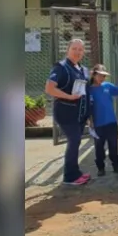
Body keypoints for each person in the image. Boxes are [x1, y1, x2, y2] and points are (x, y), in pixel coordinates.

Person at [44, 38, 91, 185]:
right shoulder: (61, 67)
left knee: (75, 142)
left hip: (80, 113)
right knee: (74, 140)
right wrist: (69, 97)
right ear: (68, 50)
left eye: (80, 49)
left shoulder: (83, 69)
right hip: (65, 112)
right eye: (74, 49)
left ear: (83, 52)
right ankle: (70, 177)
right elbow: (50, 88)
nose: (77, 52)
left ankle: (75, 173)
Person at [87, 64, 118, 176]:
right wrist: (90, 121)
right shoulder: (89, 90)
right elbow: (87, 107)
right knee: (99, 148)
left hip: (111, 122)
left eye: (104, 76)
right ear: (94, 75)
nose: (102, 78)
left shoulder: (107, 86)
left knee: (113, 146)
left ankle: (116, 165)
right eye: (100, 75)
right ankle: (100, 168)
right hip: (98, 124)